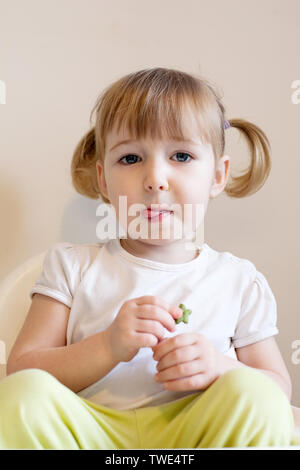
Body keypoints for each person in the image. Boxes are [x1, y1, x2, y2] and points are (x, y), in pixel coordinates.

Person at [1, 67, 299, 449]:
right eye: (130, 159)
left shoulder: (238, 280)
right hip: (92, 434)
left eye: (181, 155)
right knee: (22, 397)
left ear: (217, 177)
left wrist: (219, 367)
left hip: (197, 435)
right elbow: (23, 370)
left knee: (257, 396)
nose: (155, 178)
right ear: (104, 181)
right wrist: (107, 347)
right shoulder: (71, 266)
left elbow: (277, 388)